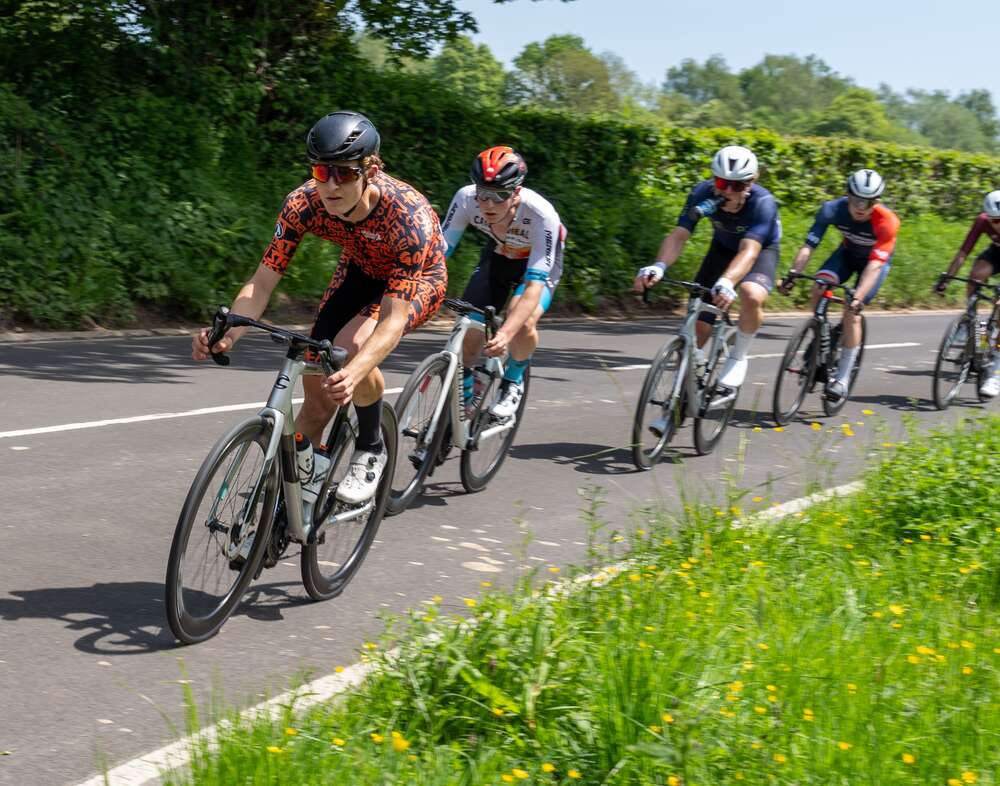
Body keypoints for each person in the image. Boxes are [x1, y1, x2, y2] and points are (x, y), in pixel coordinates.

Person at [191, 110, 447, 507]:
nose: (329, 184)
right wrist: (228, 334)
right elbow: (261, 282)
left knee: (353, 348)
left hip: (417, 279)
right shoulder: (302, 204)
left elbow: (393, 320)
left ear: (371, 170)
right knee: (315, 398)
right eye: (320, 171)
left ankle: (370, 447)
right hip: (359, 269)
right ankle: (296, 497)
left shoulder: (408, 218)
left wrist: (357, 370)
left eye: (343, 173)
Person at [634, 144, 780, 431]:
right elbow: (678, 235)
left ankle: (738, 356)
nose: (727, 191)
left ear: (751, 183)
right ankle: (676, 407)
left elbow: (749, 252)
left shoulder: (763, 203)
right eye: (722, 183)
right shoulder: (702, 193)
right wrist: (658, 266)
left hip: (758, 250)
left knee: (751, 294)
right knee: (698, 326)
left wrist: (727, 282)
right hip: (722, 248)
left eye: (737, 185)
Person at [440, 146, 566, 418]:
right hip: (500, 254)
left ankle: (512, 382)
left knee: (522, 322)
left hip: (537, 265)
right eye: (483, 194)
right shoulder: (465, 199)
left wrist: (506, 333)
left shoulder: (542, 215)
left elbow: (534, 286)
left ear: (517, 192)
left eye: (500, 196)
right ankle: (465, 400)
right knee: (469, 323)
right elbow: (438, 254)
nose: (489, 204)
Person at [781, 168, 899, 400]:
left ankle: (842, 378)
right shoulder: (831, 209)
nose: (860, 207)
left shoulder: (887, 222)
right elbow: (809, 246)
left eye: (868, 202)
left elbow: (874, 266)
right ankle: (819, 335)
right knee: (819, 286)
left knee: (851, 311)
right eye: (856, 199)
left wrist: (857, 298)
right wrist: (794, 273)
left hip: (873, 265)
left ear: (877, 201)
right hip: (846, 255)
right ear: (847, 194)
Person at [935, 189, 1000, 397]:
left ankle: (995, 372)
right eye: (993, 220)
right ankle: (972, 322)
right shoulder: (982, 221)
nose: (997, 224)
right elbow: (963, 253)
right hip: (997, 253)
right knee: (975, 275)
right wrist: (947, 278)